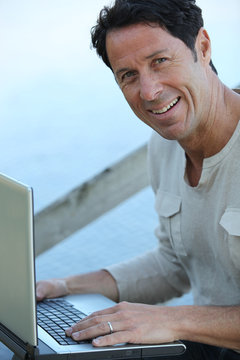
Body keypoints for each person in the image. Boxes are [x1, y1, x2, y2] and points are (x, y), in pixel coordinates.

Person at [36, 0, 240, 358]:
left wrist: (172, 321)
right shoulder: (163, 148)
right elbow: (173, 264)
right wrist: (65, 286)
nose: (148, 92)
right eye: (128, 75)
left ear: (203, 47)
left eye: (160, 61)